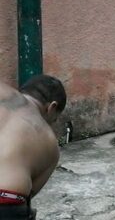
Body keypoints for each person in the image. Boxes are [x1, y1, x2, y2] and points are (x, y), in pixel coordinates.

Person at [0, 75, 67, 219]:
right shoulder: (50, 144)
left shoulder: (3, 91)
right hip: (7, 204)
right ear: (52, 107)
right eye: (54, 119)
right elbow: (29, 194)